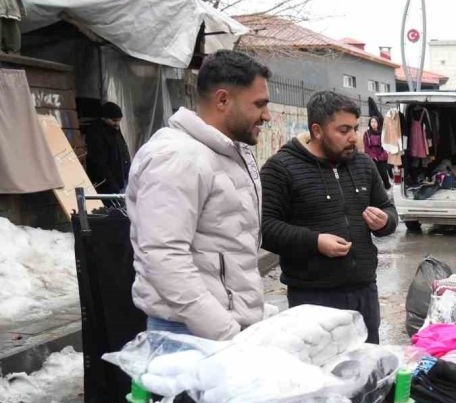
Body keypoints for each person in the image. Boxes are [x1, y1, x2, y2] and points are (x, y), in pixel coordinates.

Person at [126, 50, 271, 339]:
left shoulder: (227, 151)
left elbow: (228, 245)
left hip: (219, 330)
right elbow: (164, 256)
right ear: (222, 100)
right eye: (259, 105)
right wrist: (225, 331)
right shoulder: (178, 157)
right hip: (191, 336)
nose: (266, 115)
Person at [260, 91, 399, 344]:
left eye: (355, 129)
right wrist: (315, 241)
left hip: (363, 292)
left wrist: (385, 221)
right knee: (322, 376)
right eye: (343, 130)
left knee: (368, 370)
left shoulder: (364, 165)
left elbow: (389, 211)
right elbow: (265, 229)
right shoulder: (281, 169)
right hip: (312, 298)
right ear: (317, 130)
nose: (353, 138)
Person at [84, 101, 131, 194]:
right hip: (108, 184)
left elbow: (122, 152)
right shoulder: (97, 133)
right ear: (104, 118)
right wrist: (113, 185)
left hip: (120, 180)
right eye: (114, 120)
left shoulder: (114, 130)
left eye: (118, 120)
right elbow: (100, 163)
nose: (117, 124)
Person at [363, 115, 392, 189]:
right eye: (372, 122)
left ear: (378, 123)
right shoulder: (367, 133)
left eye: (375, 122)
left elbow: (387, 146)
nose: (373, 123)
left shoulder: (383, 132)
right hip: (372, 157)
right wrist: (373, 156)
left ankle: (387, 187)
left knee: (384, 174)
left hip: (382, 156)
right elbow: (366, 147)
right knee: (373, 175)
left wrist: (381, 156)